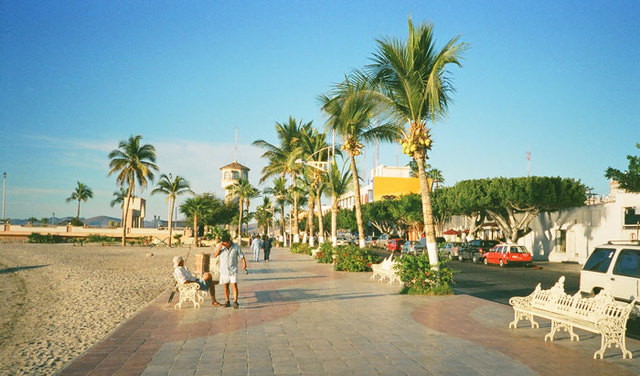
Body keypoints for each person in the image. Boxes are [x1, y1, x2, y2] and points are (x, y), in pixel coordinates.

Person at [214, 232, 247, 309]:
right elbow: (215, 255)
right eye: (224, 243)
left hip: (233, 270)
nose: (226, 244)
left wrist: (244, 264)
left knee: (234, 285)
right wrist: (220, 247)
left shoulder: (236, 247)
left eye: (227, 243)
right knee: (225, 286)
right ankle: (227, 301)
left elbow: (242, 256)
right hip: (224, 270)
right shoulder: (220, 246)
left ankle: (235, 301)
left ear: (229, 241)